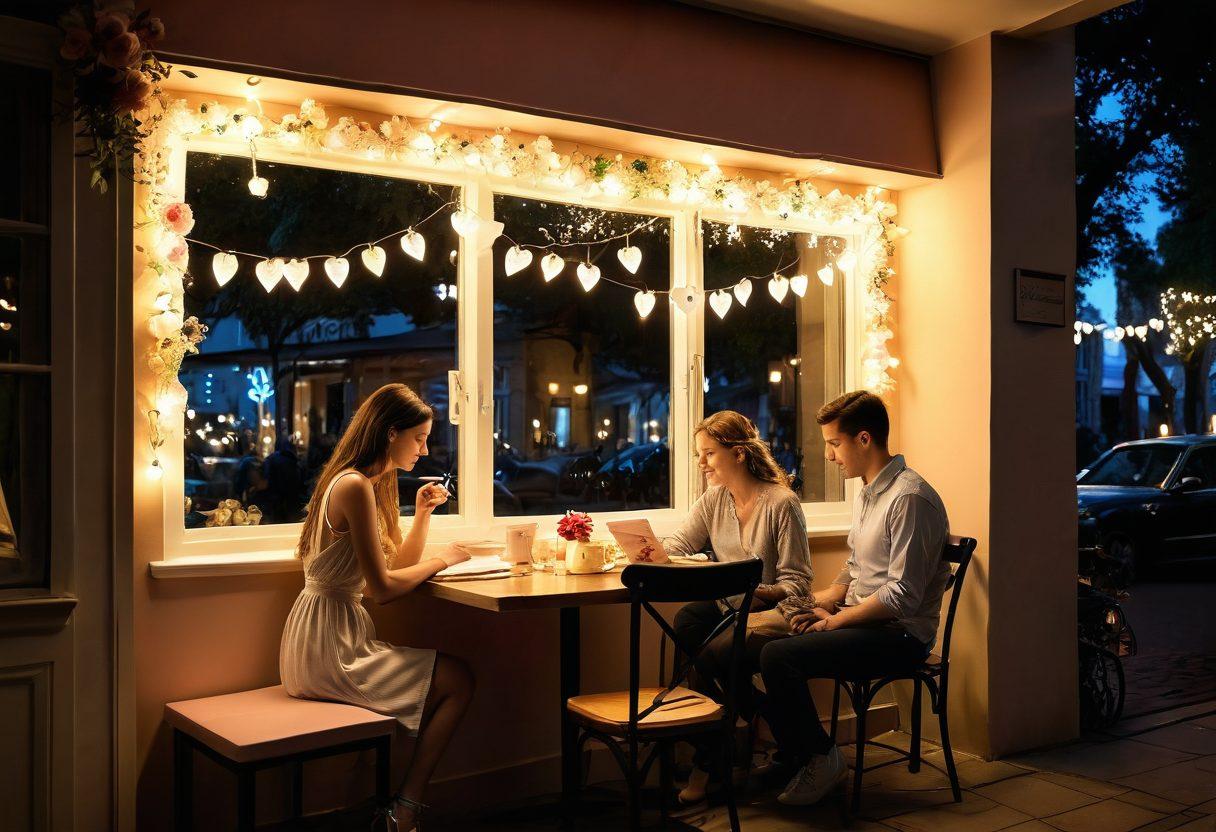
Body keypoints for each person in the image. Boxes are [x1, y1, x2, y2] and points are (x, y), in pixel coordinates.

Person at [279, 383, 474, 831]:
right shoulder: (354, 487)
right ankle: (405, 811)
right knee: (460, 679)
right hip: (331, 650)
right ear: (391, 433)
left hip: (317, 640)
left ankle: (401, 809)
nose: (424, 451)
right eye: (419, 438)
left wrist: (422, 514)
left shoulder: (356, 482)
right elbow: (383, 590)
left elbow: (389, 572)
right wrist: (445, 559)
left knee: (456, 676)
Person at [760, 390, 950, 806]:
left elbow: (901, 595)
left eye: (833, 443)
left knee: (779, 657)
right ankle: (795, 753)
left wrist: (834, 622)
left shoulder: (909, 498)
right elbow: (858, 562)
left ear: (864, 439)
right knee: (744, 645)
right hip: (866, 618)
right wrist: (828, 597)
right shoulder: (868, 491)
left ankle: (820, 757)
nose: (830, 455)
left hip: (900, 635)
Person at [664, 410, 814, 804]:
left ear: (739, 454)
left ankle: (709, 759)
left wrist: (753, 589)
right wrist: (645, 551)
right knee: (686, 621)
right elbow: (676, 547)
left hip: (773, 611)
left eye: (708, 454)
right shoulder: (714, 499)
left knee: (709, 657)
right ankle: (758, 718)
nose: (701, 464)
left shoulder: (782, 503)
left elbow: (797, 583)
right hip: (731, 606)